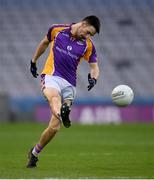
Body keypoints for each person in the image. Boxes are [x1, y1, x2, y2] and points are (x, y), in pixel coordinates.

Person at [27, 15, 101, 168]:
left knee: (54, 128)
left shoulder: (88, 45)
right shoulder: (57, 30)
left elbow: (94, 67)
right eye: (88, 32)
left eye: (90, 35)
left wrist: (94, 78)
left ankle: (34, 153)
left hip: (69, 84)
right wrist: (34, 61)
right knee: (54, 98)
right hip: (51, 76)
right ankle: (62, 113)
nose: (88, 36)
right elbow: (44, 43)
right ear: (84, 23)